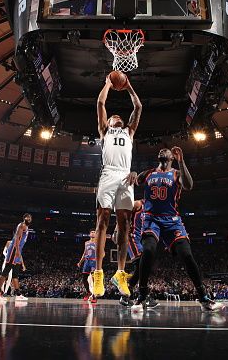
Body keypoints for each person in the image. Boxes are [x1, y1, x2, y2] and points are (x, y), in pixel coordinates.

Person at [129, 147, 224, 312]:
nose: (163, 151)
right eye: (161, 150)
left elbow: (189, 185)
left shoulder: (177, 173)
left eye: (166, 150)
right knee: (149, 251)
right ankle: (141, 297)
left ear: (172, 157)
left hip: (172, 221)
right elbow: (135, 180)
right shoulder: (148, 173)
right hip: (151, 219)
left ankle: (204, 298)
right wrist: (133, 173)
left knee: (187, 255)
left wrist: (181, 161)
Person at [92, 74, 142, 298]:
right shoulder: (105, 131)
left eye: (118, 116)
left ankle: (120, 272)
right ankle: (98, 272)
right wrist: (108, 84)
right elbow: (101, 103)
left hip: (125, 176)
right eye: (113, 117)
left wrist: (129, 87)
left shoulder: (129, 132)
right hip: (109, 173)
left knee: (125, 224)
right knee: (103, 219)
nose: (116, 117)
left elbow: (138, 106)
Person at [0, 213, 32, 302]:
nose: (28, 219)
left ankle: (18, 294)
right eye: (27, 217)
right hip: (14, 250)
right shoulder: (22, 225)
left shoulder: (26, 227)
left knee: (15, 274)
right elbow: (17, 238)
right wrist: (17, 250)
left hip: (17, 250)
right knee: (6, 271)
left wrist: (20, 257)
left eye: (30, 218)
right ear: (24, 218)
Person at [77, 230, 97, 303]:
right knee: (84, 278)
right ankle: (88, 292)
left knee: (93, 279)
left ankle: (94, 295)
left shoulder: (97, 242)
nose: (93, 233)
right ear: (89, 234)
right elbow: (84, 253)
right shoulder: (86, 243)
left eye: (94, 232)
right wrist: (80, 262)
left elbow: (101, 252)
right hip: (87, 261)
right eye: (91, 232)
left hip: (94, 261)